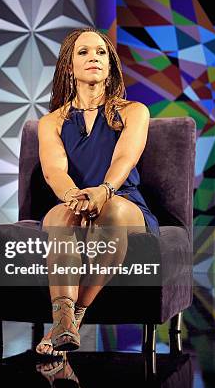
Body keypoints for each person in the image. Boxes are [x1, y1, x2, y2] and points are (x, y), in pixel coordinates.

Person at [35, 27, 159, 356]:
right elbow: (55, 170)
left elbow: (124, 157)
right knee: (63, 217)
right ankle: (61, 316)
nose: (94, 58)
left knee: (114, 211)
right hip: (73, 200)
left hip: (123, 201)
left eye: (101, 53)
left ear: (111, 65)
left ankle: (75, 316)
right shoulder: (52, 122)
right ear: (68, 66)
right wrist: (76, 197)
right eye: (84, 52)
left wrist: (103, 191)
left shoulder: (135, 111)